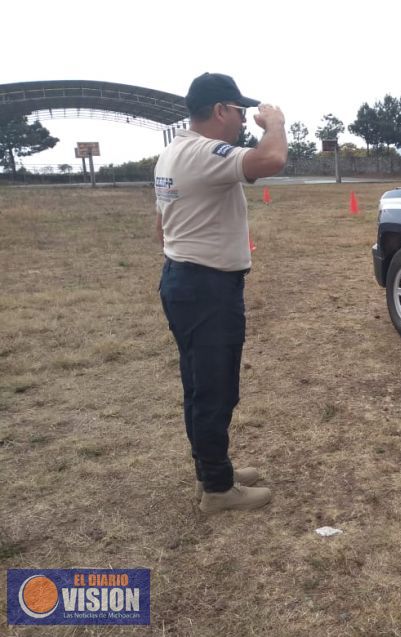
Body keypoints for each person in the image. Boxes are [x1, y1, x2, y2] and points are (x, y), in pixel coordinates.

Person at [155, 72, 287, 512]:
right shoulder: (204, 152)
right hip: (206, 287)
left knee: (199, 384)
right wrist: (276, 123)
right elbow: (271, 161)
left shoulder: (172, 153)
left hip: (186, 278)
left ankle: (213, 468)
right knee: (214, 388)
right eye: (238, 110)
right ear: (219, 111)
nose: (242, 119)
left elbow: (162, 225)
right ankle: (217, 489)